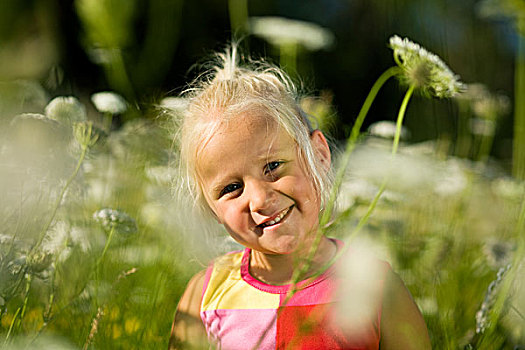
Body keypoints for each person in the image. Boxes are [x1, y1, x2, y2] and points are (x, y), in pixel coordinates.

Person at [168, 45, 431, 350]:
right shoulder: (205, 295)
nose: (260, 199)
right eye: (231, 188)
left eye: (273, 167)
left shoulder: (375, 287)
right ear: (210, 208)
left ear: (319, 154)